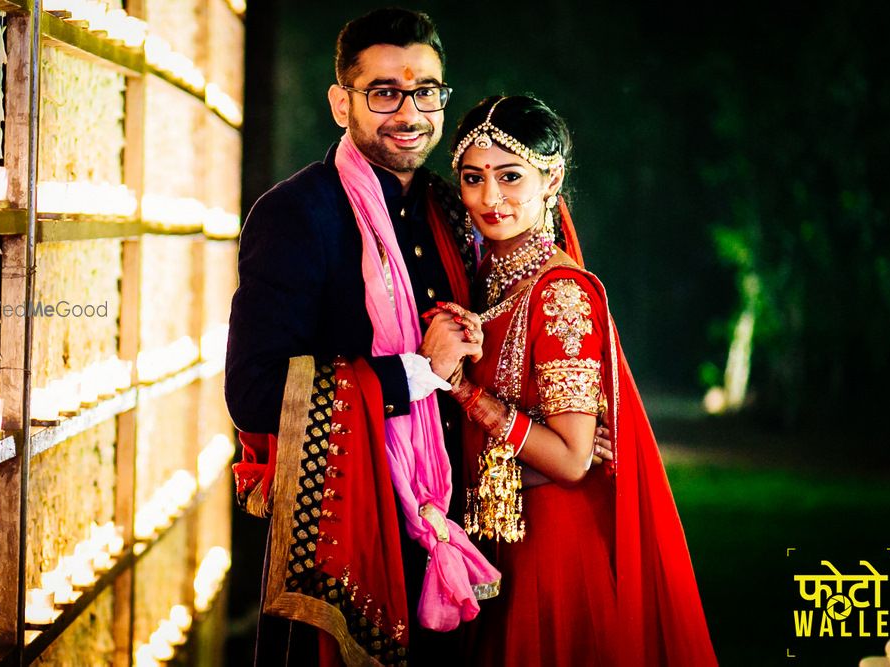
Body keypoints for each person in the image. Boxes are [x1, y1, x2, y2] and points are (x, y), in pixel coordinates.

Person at [225, 10, 607, 666]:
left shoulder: (452, 208)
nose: (409, 112)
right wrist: (413, 372)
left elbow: (500, 343)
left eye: (425, 91)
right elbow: (254, 394)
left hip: (456, 542)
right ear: (341, 102)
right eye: (384, 92)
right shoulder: (297, 214)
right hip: (343, 543)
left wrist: (561, 427)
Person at [426, 95, 718, 666]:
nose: (490, 198)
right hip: (502, 543)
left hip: (554, 550)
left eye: (511, 176)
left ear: (552, 179)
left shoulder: (560, 292)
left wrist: (463, 391)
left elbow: (570, 458)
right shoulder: (482, 283)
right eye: (473, 178)